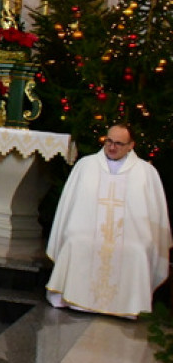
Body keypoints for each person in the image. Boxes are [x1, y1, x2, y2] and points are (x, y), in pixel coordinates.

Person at [45, 124, 171, 318]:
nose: (112, 147)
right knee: (75, 242)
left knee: (137, 250)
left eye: (119, 143)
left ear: (131, 145)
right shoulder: (86, 165)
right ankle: (69, 298)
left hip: (130, 237)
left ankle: (131, 306)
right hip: (86, 232)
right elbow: (69, 206)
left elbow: (155, 214)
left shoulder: (146, 172)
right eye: (109, 141)